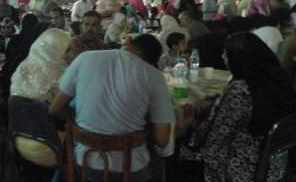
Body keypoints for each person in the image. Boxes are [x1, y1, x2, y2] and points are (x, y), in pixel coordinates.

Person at [50, 34, 175, 181]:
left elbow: (54, 109)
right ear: (151, 62)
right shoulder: (154, 76)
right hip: (130, 169)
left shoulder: (85, 58)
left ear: (129, 43)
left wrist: (80, 123)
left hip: (85, 164)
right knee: (161, 164)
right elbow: (162, 139)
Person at [180, 32, 296, 182]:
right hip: (276, 165)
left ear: (238, 58)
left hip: (240, 164)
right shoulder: (278, 81)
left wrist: (192, 124)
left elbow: (217, 139)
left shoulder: (240, 90)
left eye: (226, 54)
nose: (222, 57)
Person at [10, 28, 71, 102]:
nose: (69, 54)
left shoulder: (24, 66)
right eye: (66, 50)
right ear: (52, 50)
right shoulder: (55, 71)